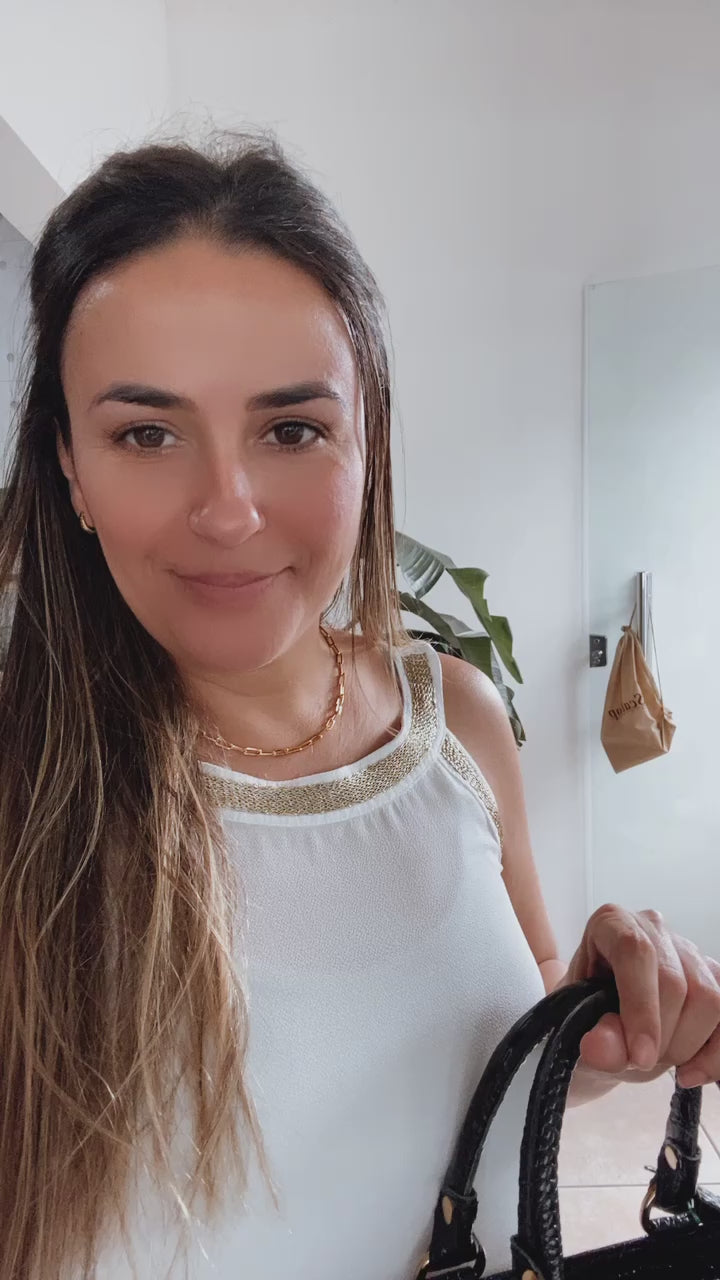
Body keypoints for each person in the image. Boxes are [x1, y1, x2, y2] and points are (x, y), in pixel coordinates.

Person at [0, 131, 718, 1280]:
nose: (228, 509)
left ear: (366, 436)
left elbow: (499, 1057)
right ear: (72, 467)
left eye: (290, 428)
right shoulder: (25, 786)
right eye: (147, 432)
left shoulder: (458, 720)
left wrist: (598, 1027)